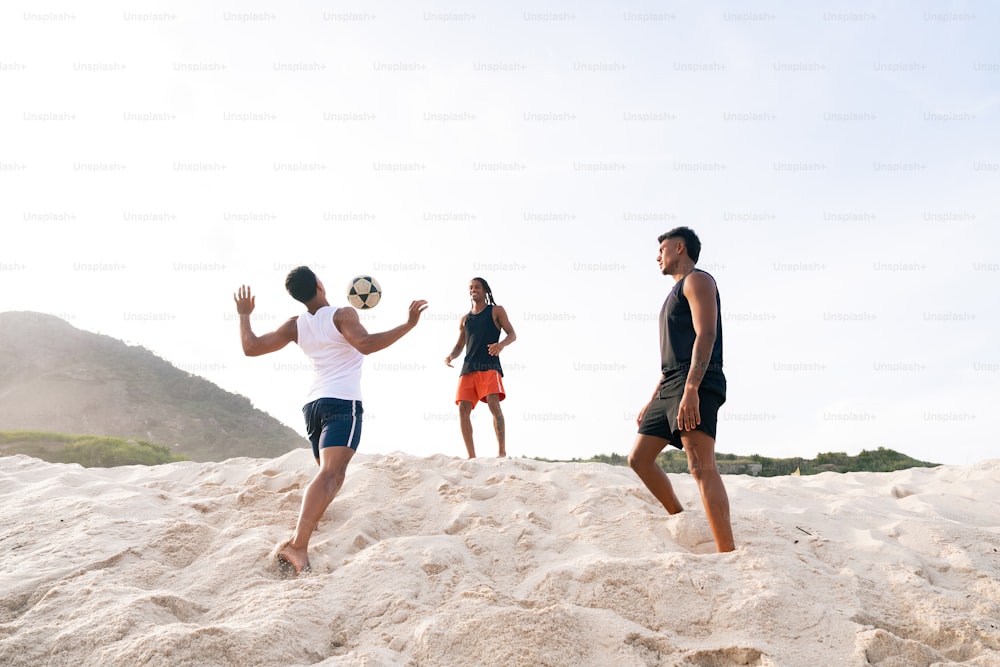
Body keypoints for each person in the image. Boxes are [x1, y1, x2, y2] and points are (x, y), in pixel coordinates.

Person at [234, 266, 427, 574]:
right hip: (342, 402)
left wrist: (244, 314)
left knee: (330, 476)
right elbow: (364, 344)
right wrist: (408, 324)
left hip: (313, 406)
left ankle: (306, 529)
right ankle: (297, 546)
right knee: (330, 476)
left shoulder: (295, 324)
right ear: (320, 285)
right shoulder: (343, 315)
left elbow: (251, 348)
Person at [628, 227, 735, 553]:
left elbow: (706, 335)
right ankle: (680, 515)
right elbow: (674, 353)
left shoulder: (698, 280)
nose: (657, 256)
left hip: (697, 380)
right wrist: (653, 398)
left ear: (679, 247)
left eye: (661, 249)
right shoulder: (672, 294)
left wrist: (692, 388)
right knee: (639, 459)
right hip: (670, 383)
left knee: (700, 465)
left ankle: (727, 553)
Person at [444, 277, 516, 459]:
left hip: (489, 364)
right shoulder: (465, 319)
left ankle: (501, 452)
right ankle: (471, 457)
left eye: (477, 287)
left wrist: (501, 345)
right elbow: (460, 345)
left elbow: (512, 334)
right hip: (468, 368)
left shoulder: (496, 311)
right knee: (463, 409)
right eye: (471, 287)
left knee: (493, 403)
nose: (473, 289)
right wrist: (451, 355)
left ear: (485, 291)